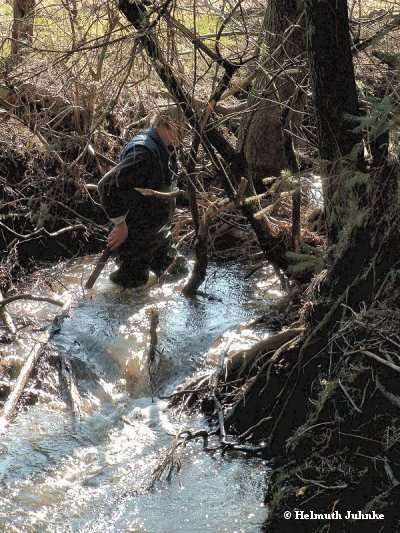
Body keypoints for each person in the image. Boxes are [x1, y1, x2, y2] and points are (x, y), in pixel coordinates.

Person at [98, 105, 185, 288]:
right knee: (131, 290)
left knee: (179, 273)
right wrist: (120, 225)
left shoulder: (167, 148)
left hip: (158, 234)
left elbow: (164, 187)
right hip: (135, 239)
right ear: (168, 124)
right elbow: (107, 185)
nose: (184, 136)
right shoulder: (143, 152)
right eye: (182, 129)